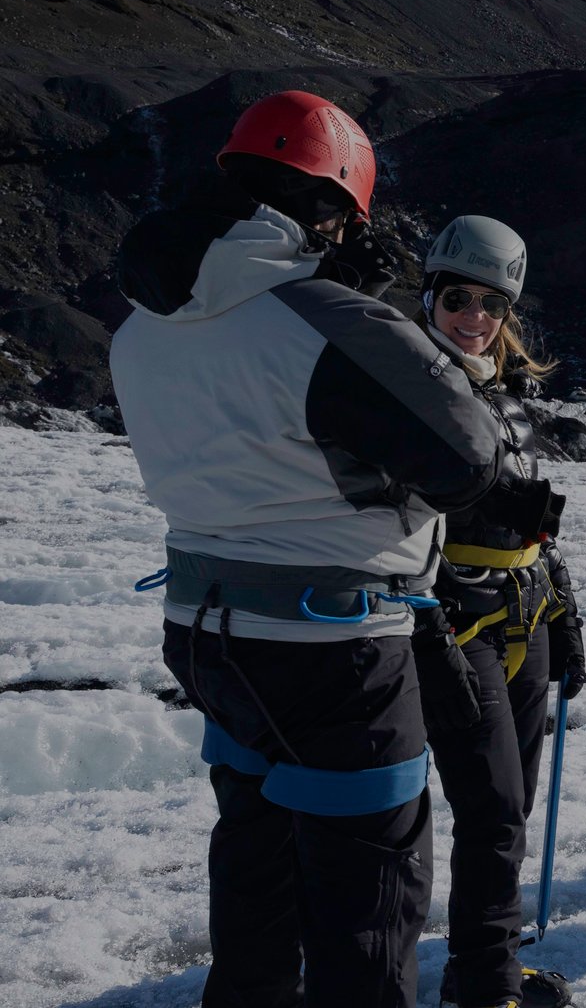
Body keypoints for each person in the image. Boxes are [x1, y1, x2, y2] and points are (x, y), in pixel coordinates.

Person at [110, 91, 502, 1008]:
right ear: (327, 210)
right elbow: (466, 459)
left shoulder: (142, 323)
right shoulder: (326, 319)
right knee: (367, 890)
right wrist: (356, 307)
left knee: (256, 855)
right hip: (337, 647)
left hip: (207, 631)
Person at [416, 216, 586, 1008]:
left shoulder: (508, 392)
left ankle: (482, 964)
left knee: (508, 804)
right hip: (457, 619)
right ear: (430, 296)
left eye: (491, 304)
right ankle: (485, 985)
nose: (474, 317)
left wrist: (564, 610)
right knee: (490, 806)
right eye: (457, 298)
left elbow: (534, 522)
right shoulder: (408, 387)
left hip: (524, 611)